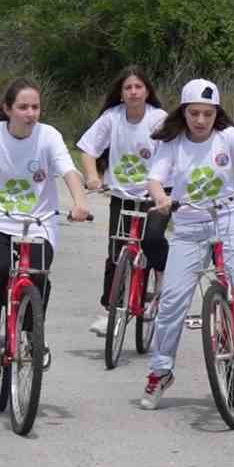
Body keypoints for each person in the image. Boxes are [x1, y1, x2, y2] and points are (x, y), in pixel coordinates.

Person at [142, 78, 234, 409]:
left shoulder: (229, 137)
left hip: (230, 218)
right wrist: (162, 198)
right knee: (172, 302)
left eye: (208, 113)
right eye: (194, 113)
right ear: (184, 112)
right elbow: (155, 179)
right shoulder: (173, 143)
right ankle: (161, 370)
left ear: (216, 113)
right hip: (189, 225)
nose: (201, 120)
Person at [0, 79, 94, 375]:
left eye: (35, 107)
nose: (30, 113)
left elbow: (68, 170)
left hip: (38, 223)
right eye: (23, 107)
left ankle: (31, 337)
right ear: (7, 109)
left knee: (37, 273)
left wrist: (80, 203)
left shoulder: (48, 136)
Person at [76, 66, 170, 337]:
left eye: (138, 87)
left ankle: (160, 286)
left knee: (152, 239)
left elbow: (172, 152)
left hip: (155, 195)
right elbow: (88, 149)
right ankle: (110, 310)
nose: (133, 92)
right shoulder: (112, 117)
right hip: (122, 194)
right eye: (127, 87)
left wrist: (163, 189)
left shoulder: (159, 119)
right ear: (120, 93)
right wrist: (93, 177)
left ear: (147, 91)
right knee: (117, 253)